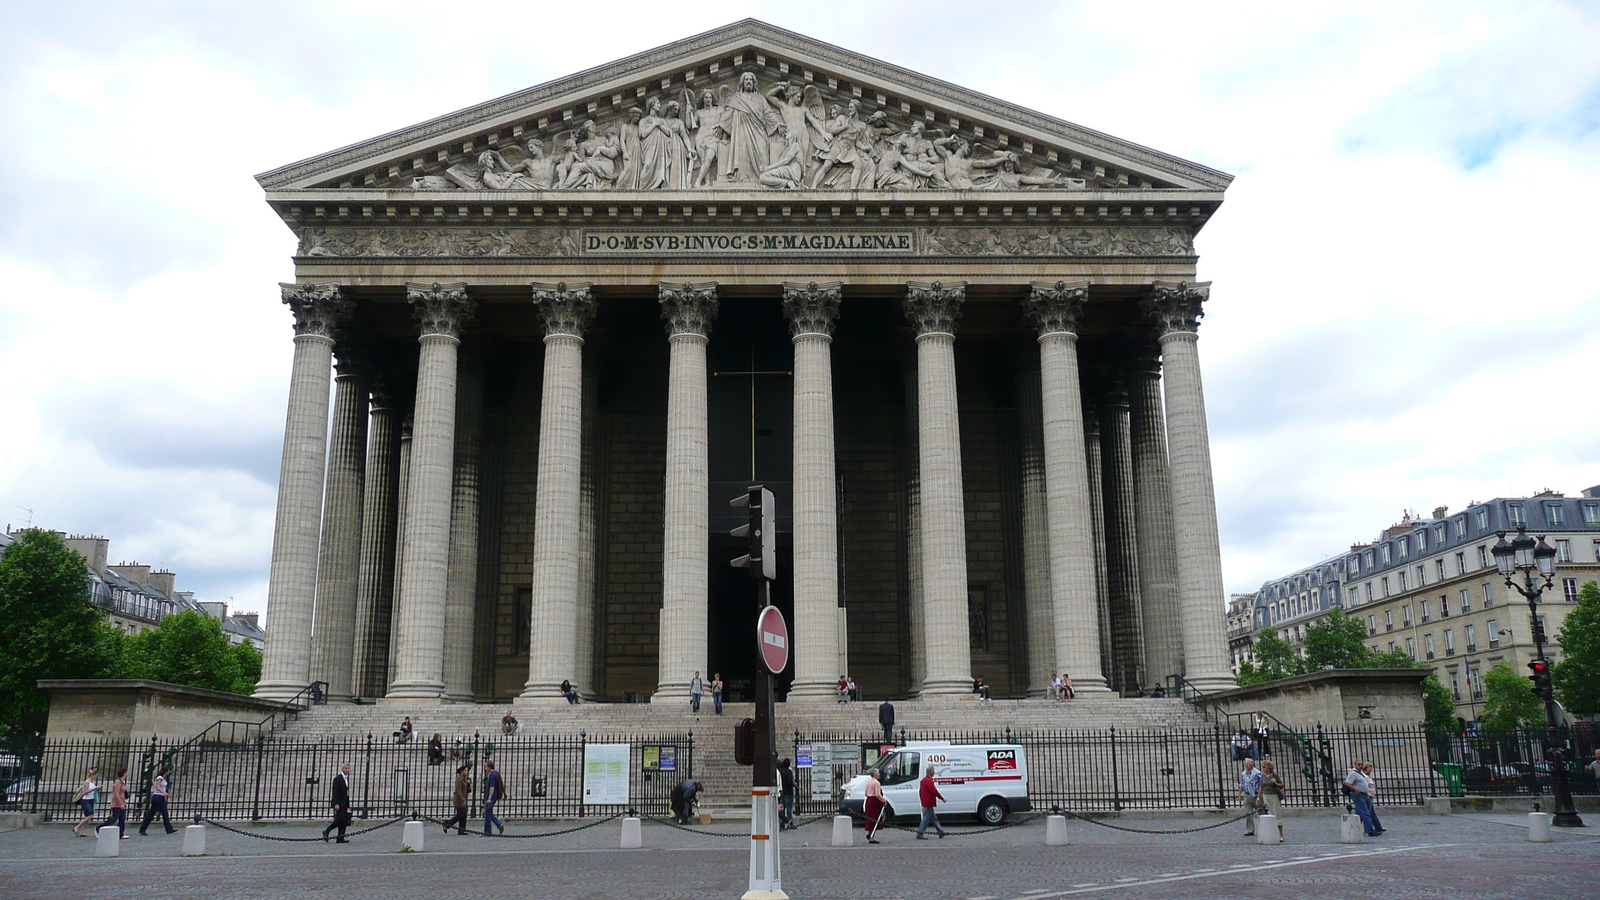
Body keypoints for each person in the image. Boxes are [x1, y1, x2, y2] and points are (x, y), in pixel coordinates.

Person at [1343, 760, 1381, 837]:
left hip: (1364, 795)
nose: (1360, 766)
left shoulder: (1360, 774)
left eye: (1361, 764)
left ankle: (1354, 828)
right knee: (1365, 813)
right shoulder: (1353, 773)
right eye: (1358, 764)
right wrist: (1355, 789)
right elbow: (1347, 783)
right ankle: (1370, 830)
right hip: (1358, 795)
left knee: (1359, 813)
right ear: (1355, 765)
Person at [139, 766, 175, 835]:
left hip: (161, 797)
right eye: (168, 771)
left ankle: (169, 829)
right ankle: (142, 829)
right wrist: (164, 792)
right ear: (166, 771)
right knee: (151, 814)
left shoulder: (164, 779)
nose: (169, 772)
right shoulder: (159, 778)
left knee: (165, 813)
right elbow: (157, 787)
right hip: (157, 797)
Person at [915, 765, 948, 839]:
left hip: (926, 801)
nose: (934, 772)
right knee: (926, 819)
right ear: (931, 772)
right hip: (929, 802)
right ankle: (920, 833)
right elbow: (934, 791)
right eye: (933, 771)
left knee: (933, 818)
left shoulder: (924, 780)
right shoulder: (929, 781)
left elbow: (920, 791)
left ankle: (940, 832)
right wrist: (942, 798)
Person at [321, 764, 352, 843]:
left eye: (348, 768)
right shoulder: (337, 779)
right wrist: (336, 803)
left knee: (344, 820)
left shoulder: (347, 778)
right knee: (339, 819)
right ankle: (327, 830)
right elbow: (335, 792)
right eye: (345, 768)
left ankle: (340, 837)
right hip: (339, 803)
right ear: (342, 769)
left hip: (345, 802)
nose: (347, 770)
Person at [1259, 760, 1285, 842]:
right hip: (1265, 795)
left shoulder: (1274, 776)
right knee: (1268, 813)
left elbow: (1282, 785)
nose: (1263, 768)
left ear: (1268, 768)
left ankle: (1281, 834)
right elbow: (1261, 787)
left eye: (1264, 767)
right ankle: (1270, 832)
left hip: (1273, 795)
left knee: (1276, 814)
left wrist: (1276, 783)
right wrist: (1258, 798)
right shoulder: (1263, 776)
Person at [1238, 757, 1262, 837]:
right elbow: (1242, 784)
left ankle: (1264, 827)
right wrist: (1240, 794)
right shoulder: (1243, 773)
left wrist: (1258, 797)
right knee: (1247, 813)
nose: (1246, 765)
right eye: (1245, 764)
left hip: (1255, 794)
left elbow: (1261, 786)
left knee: (1261, 812)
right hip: (1247, 794)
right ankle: (1250, 830)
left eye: (1248, 763)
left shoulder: (1257, 774)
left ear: (1252, 764)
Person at [71, 769, 100, 837]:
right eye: (96, 776)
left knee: (87, 817)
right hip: (86, 800)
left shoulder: (93, 782)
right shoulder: (87, 782)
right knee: (90, 815)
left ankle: (83, 831)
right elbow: (85, 792)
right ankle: (77, 827)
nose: (96, 777)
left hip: (91, 800)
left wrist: (97, 789)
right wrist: (94, 789)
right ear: (92, 775)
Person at [103, 768, 129, 839]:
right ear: (124, 773)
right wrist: (121, 803)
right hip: (117, 803)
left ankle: (121, 833)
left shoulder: (122, 782)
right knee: (115, 818)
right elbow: (116, 794)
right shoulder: (118, 782)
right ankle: (100, 827)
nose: (127, 773)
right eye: (126, 772)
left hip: (122, 802)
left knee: (122, 818)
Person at [445, 764, 471, 835]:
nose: (467, 772)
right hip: (459, 800)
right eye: (466, 770)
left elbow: (468, 790)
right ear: (462, 771)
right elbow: (458, 791)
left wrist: (468, 785)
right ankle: (447, 824)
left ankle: (461, 830)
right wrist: (463, 800)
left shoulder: (464, 780)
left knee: (463, 815)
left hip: (463, 799)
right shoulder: (459, 780)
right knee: (460, 815)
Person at [863, 769, 886, 844]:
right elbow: (878, 794)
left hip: (869, 800)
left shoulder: (869, 782)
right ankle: (872, 837)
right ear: (875, 774)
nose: (879, 774)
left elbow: (866, 793)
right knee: (874, 819)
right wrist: (883, 800)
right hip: (874, 801)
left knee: (870, 818)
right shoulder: (876, 783)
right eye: (878, 773)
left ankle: (870, 834)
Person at [1362, 762, 1385, 835]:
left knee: (1371, 813)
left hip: (1370, 795)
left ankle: (1378, 827)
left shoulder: (1367, 776)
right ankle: (1368, 829)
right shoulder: (1364, 777)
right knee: (1368, 813)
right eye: (1370, 767)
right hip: (1368, 796)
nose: (1371, 769)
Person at [483, 760, 504, 835]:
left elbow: (492, 787)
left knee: (487, 814)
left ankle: (488, 831)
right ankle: (498, 824)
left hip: (491, 796)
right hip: (495, 796)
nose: (485, 769)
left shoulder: (492, 775)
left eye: (486, 767)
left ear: (489, 767)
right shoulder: (496, 774)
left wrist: (489, 798)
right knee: (488, 813)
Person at [777, 758, 795, 830]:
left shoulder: (780, 771)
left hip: (782, 792)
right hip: (788, 792)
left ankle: (782, 823)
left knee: (782, 809)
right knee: (789, 809)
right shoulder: (789, 772)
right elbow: (789, 781)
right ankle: (789, 822)